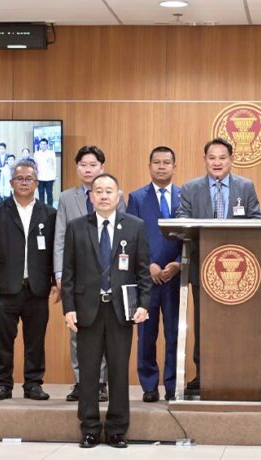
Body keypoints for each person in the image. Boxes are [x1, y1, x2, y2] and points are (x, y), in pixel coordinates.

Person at [62, 173, 151, 449]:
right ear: (90, 197)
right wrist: (69, 308)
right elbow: (68, 273)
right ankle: (89, 428)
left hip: (120, 311)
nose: (103, 195)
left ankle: (116, 429)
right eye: (98, 191)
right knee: (88, 373)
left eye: (109, 191)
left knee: (118, 372)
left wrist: (144, 304)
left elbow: (142, 271)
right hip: (86, 310)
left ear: (118, 195)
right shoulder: (77, 227)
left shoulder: (134, 226)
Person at [176, 137, 261, 390]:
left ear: (231, 160)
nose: (217, 162)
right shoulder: (190, 188)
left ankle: (239, 373)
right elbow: (182, 221)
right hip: (202, 266)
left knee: (238, 323)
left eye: (222, 158)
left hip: (240, 269)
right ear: (205, 160)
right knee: (204, 323)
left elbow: (256, 219)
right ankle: (203, 373)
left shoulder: (245, 187)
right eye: (212, 158)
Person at [54, 146, 125, 402]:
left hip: (107, 276)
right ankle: (81, 382)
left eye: (93, 165)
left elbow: (122, 237)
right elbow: (60, 236)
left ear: (102, 168)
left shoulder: (116, 195)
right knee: (78, 332)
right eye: (83, 165)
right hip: (79, 276)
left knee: (106, 333)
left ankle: (101, 383)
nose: (88, 169)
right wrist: (59, 273)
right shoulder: (66, 198)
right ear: (77, 168)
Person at [0, 159, 58, 401]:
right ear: (11, 182)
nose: (24, 182)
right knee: (2, 340)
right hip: (4, 287)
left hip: (36, 287)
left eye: (29, 178)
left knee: (35, 340)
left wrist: (55, 281)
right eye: (19, 178)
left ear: (36, 183)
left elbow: (55, 250)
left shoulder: (50, 213)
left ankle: (33, 384)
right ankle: (2, 384)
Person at [126, 146, 182, 403]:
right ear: (149, 166)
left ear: (174, 166)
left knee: (174, 333)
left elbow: (191, 236)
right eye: (156, 162)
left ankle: (172, 384)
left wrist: (178, 263)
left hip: (176, 277)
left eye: (166, 162)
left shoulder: (185, 197)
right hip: (146, 278)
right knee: (146, 335)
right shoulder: (137, 198)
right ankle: (149, 385)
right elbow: (131, 236)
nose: (161, 166)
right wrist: (148, 265)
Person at [34, 138, 57, 206]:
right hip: (40, 177)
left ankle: (50, 208)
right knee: (41, 193)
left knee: (49, 193)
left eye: (44, 144)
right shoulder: (36, 153)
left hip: (49, 177)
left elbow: (54, 165)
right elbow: (35, 166)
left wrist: (54, 176)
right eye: (41, 144)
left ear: (47, 145)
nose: (43, 146)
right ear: (39, 145)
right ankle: (42, 208)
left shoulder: (51, 153)